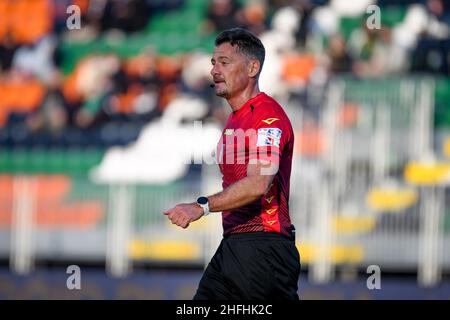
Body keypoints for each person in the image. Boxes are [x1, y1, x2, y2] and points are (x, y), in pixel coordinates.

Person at [163, 28, 300, 300]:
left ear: (252, 67)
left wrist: (201, 206)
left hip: (263, 249)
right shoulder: (235, 120)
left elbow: (259, 183)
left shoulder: (267, 117)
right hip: (234, 246)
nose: (214, 70)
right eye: (213, 62)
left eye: (224, 63)